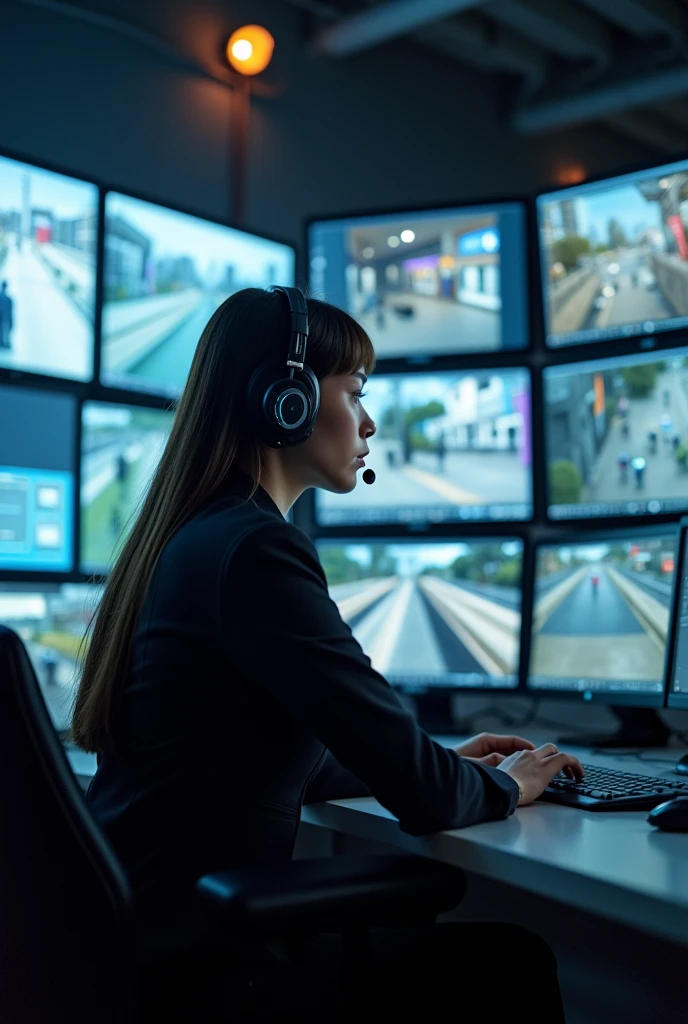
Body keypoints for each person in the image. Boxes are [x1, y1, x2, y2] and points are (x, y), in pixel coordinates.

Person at [71, 289, 577, 1022]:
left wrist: (448, 763)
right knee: (514, 963)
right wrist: (508, 785)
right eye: (355, 393)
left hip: (133, 953)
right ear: (286, 401)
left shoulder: (192, 539)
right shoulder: (256, 551)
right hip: (200, 975)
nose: (369, 422)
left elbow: (245, 746)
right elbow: (425, 800)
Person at [0, 280, 13, 349]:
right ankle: (5, 342)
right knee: (5, 330)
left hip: (3, 317)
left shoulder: (8, 299)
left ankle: (3, 342)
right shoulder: (8, 299)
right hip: (5, 318)